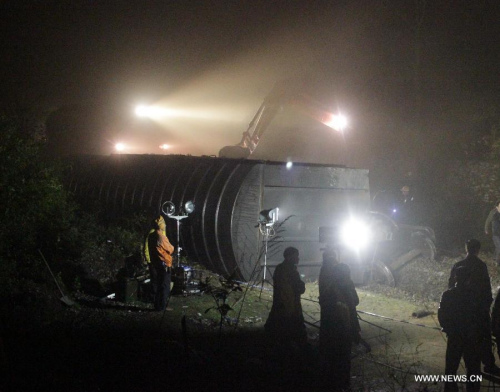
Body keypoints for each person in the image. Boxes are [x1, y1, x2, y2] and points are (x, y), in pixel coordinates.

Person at [448, 239, 499, 375]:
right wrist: (486, 306)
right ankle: (488, 364)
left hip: (462, 312)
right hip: (479, 310)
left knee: (462, 343)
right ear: (478, 250)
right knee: (484, 337)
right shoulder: (481, 266)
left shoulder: (458, 265)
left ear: (466, 248)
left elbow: (450, 287)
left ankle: (457, 377)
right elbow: (486, 289)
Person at [318, 250, 360, 391]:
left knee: (338, 360)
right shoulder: (336, 291)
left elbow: (354, 303)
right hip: (339, 332)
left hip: (338, 331)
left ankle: (338, 383)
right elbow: (354, 304)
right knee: (339, 360)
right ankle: (338, 384)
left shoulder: (334, 289)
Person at [439, 266, 482, 392]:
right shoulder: (474, 296)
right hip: (471, 337)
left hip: (455, 336)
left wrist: (448, 328)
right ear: (469, 279)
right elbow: (480, 317)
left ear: (455, 277)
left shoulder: (448, 295)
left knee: (451, 369)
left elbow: (442, 314)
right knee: (473, 369)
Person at [264, 247, 307, 351]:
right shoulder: (290, 271)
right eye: (296, 256)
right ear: (289, 257)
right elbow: (299, 288)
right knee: (293, 330)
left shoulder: (280, 268)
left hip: (281, 304)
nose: (298, 258)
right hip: (289, 306)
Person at [146, 216, 174, 311]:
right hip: (164, 264)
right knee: (164, 286)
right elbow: (170, 249)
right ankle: (162, 307)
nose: (165, 225)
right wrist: (172, 246)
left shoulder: (151, 236)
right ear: (160, 225)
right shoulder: (161, 237)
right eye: (164, 223)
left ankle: (157, 305)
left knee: (158, 285)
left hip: (157, 263)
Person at [484, 201, 500, 266]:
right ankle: (496, 260)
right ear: (497, 206)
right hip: (495, 233)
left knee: (498, 247)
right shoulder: (493, 212)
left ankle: (495, 258)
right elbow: (488, 221)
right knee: (499, 246)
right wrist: (486, 229)